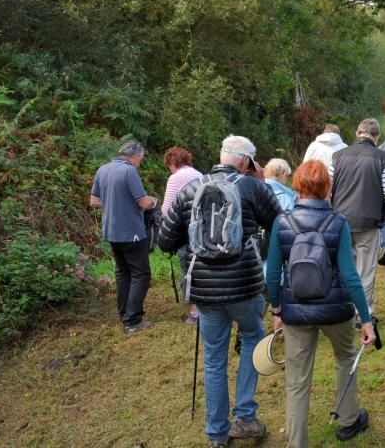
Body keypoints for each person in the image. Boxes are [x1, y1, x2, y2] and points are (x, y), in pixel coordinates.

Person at [158, 135, 283, 448]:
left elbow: (165, 241)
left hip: (206, 292)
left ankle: (216, 433)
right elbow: (280, 221)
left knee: (214, 359)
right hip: (245, 285)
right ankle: (245, 417)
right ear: (245, 161)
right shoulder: (253, 187)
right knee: (253, 340)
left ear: (221, 156)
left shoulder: (191, 189)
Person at [265, 160, 375, 447]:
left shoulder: (282, 222)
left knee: (297, 379)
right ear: (327, 187)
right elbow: (351, 276)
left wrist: (277, 310)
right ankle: (349, 420)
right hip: (335, 308)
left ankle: (297, 442)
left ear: (297, 186)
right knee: (345, 358)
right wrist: (365, 318)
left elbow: (273, 273)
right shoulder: (338, 223)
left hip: (295, 310)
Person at [330, 118, 385, 314]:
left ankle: (343, 308)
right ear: (377, 136)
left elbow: (327, 190)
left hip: (339, 223)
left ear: (357, 134)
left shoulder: (337, 156)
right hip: (368, 223)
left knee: (344, 268)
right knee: (365, 271)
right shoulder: (382, 158)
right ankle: (363, 313)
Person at [90, 140, 158, 333]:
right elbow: (144, 203)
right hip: (131, 232)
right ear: (136, 156)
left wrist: (113, 200)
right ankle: (133, 320)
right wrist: (154, 201)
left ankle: (124, 314)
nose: (140, 163)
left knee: (122, 273)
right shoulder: (129, 171)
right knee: (141, 274)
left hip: (111, 231)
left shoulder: (103, 169)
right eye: (141, 160)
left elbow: (93, 201)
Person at [161, 146, 203, 325]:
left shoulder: (175, 178)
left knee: (187, 269)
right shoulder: (200, 175)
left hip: (185, 231)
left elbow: (167, 209)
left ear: (172, 162)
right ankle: (205, 306)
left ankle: (195, 313)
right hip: (203, 229)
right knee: (201, 267)